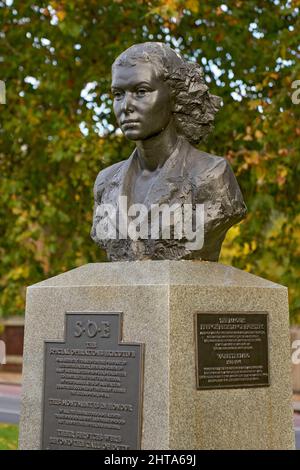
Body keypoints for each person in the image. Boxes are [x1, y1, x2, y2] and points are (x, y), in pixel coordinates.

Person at [91, 42, 247, 261]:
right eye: (118, 94)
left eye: (141, 91)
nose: (126, 106)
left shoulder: (211, 176)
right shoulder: (105, 183)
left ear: (174, 96)